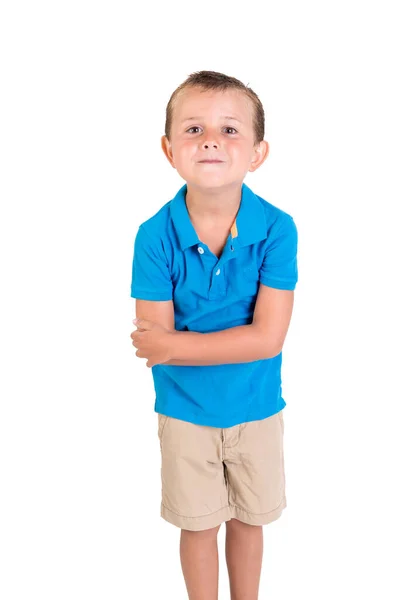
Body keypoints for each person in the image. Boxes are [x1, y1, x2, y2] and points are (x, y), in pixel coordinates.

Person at [130, 70, 298, 600]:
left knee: (250, 521)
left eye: (229, 130)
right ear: (169, 149)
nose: (210, 140)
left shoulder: (277, 229)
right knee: (198, 524)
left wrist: (176, 345)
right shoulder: (154, 235)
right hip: (185, 414)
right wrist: (173, 345)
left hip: (257, 408)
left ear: (257, 153)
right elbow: (149, 340)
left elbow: (268, 339)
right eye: (194, 128)